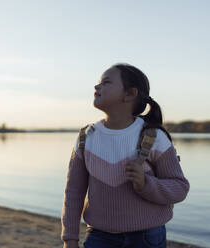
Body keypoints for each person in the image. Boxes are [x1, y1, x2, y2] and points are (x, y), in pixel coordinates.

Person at [61, 63, 190, 248]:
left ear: (129, 94)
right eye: (98, 82)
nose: (97, 87)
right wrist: (70, 238)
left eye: (106, 82)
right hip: (99, 237)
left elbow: (179, 187)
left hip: (147, 237)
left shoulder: (154, 137)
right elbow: (73, 193)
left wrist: (145, 184)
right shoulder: (85, 138)